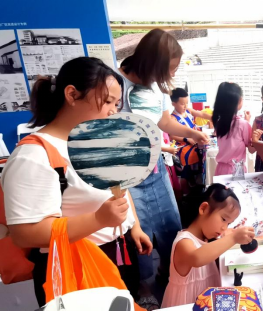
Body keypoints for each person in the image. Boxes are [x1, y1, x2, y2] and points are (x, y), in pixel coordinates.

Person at [2, 57, 152, 306]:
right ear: (72, 94)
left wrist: (132, 226)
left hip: (119, 253)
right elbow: (24, 234)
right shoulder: (34, 155)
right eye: (106, 101)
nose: (113, 111)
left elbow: (118, 190)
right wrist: (98, 220)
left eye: (116, 103)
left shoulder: (98, 140)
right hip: (74, 267)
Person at [118, 28, 208, 309]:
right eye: (166, 69)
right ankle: (143, 287)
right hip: (127, 172)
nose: (167, 77)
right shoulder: (115, 84)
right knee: (137, 233)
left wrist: (192, 134)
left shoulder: (156, 85)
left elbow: (164, 122)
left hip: (155, 167)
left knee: (171, 224)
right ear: (150, 63)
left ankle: (166, 273)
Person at [161, 184, 254, 307]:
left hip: (206, 302)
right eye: (223, 219)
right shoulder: (183, 242)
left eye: (229, 223)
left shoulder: (206, 237)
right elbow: (197, 258)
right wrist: (233, 238)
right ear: (204, 209)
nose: (224, 227)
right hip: (186, 305)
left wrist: (229, 235)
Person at [169, 88, 211, 193]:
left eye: (187, 103)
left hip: (194, 140)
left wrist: (214, 117)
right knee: (192, 155)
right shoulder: (172, 118)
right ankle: (188, 187)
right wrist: (186, 139)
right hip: (183, 145)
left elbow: (202, 114)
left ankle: (200, 179)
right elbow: (172, 136)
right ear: (173, 103)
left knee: (205, 149)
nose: (185, 106)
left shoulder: (188, 111)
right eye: (182, 104)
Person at [211, 82, 254, 176]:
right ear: (240, 100)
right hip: (236, 170)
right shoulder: (243, 124)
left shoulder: (219, 122)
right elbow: (250, 147)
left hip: (220, 169)